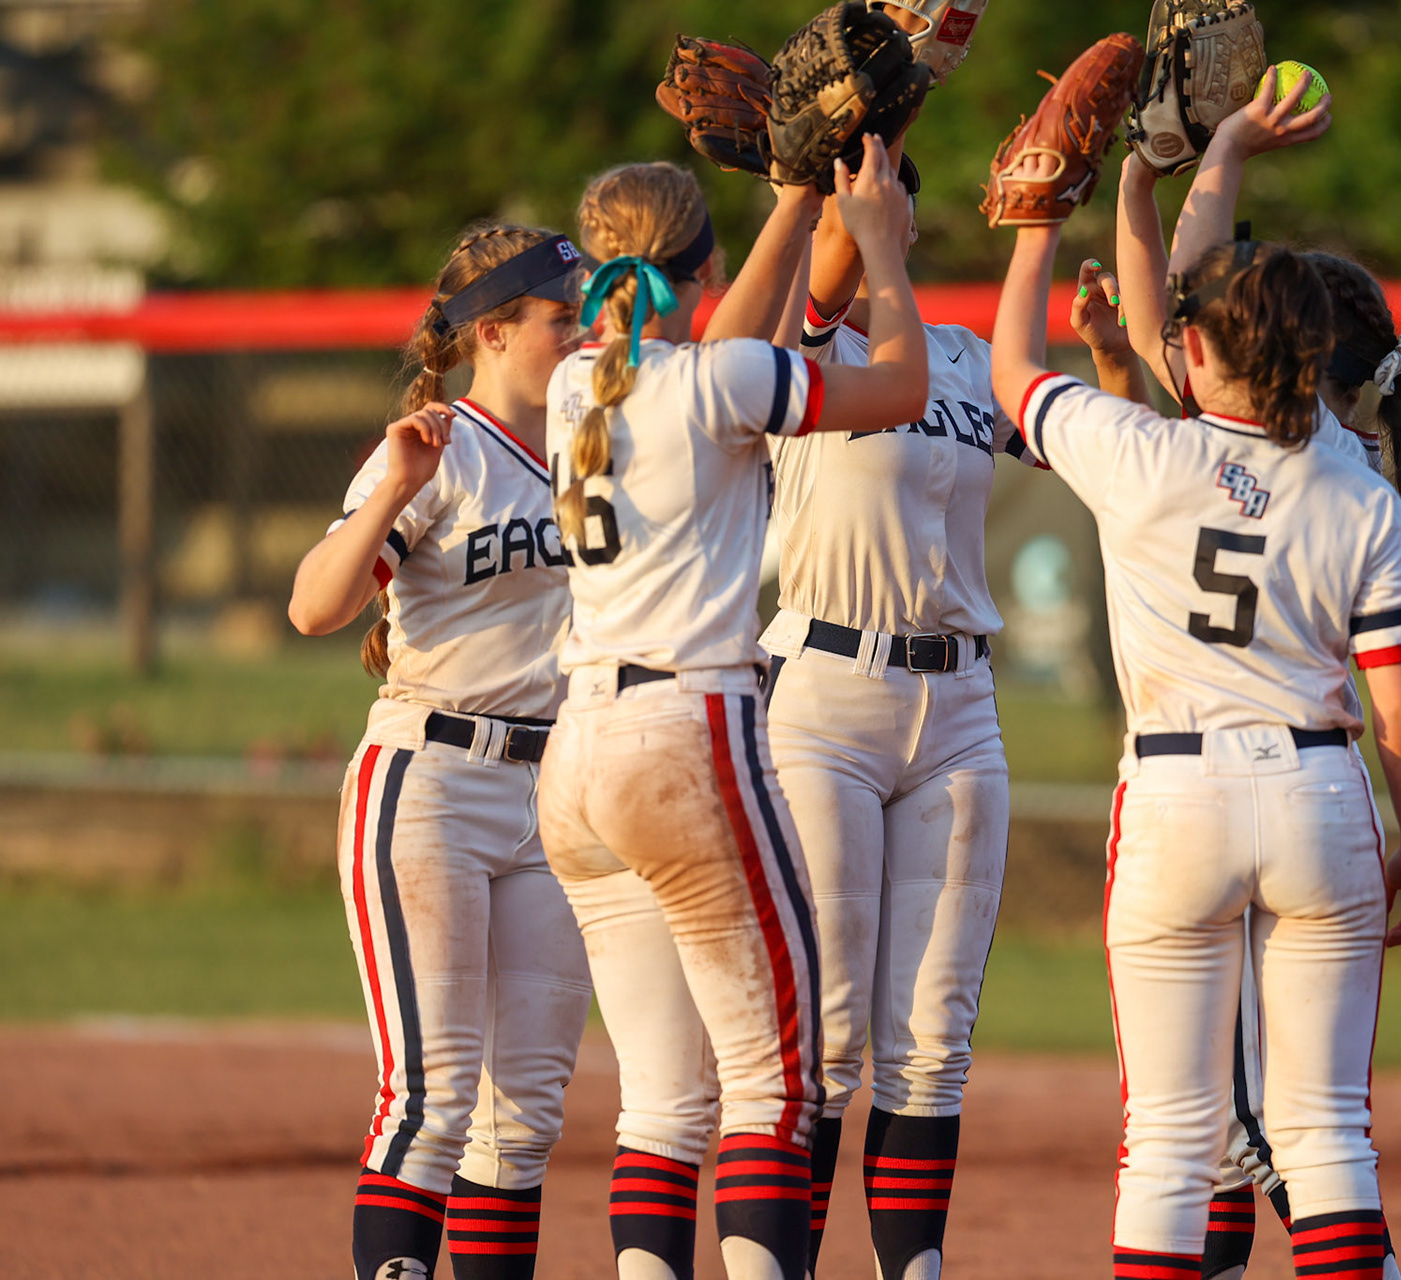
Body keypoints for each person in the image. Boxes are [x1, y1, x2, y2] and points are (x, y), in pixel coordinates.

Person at [988, 67, 1401, 1280]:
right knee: (1327, 1133)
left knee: (1169, 1143)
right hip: (1319, 796)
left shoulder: (1145, 451)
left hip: (1176, 801)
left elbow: (1013, 379)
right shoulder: (1360, 482)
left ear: (1196, 354)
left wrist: (1041, 230)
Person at [535, 134, 931, 1280]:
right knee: (774, 1078)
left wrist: (803, 194)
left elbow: (717, 337)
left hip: (577, 758)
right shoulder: (721, 380)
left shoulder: (578, 383)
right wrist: (883, 249)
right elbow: (898, 386)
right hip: (685, 736)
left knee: (663, 1100)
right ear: (701, 274)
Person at [759, 119, 1044, 1280]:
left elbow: (1059, 421)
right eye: (843, 202)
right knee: (825, 1041)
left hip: (960, 707)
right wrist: (840, 224)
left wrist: (1048, 232)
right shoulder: (799, 347)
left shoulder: (967, 356)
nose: (865, 211)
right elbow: (820, 309)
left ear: (914, 220)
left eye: (879, 199)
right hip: (823, 698)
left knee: (932, 1043)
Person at [288, 223, 597, 1280]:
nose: (583, 329)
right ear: (495, 330)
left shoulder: (597, 437)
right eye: (562, 316)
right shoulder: (437, 446)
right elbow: (313, 606)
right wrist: (392, 488)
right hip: (433, 780)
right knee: (429, 1096)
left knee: (525, 1114)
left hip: (557, 791)